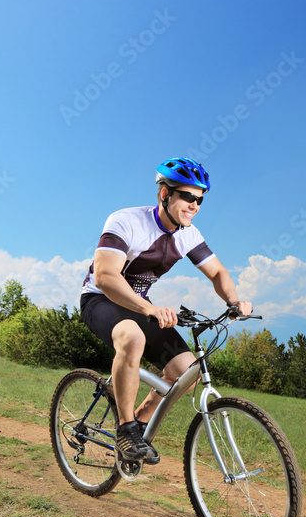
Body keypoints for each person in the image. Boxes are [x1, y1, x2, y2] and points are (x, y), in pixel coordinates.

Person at [80, 158, 252, 464]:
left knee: (187, 371)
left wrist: (233, 301)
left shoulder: (188, 234)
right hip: (101, 300)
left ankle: (139, 420)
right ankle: (125, 429)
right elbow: (106, 277)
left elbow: (218, 273)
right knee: (132, 338)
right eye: (188, 197)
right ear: (164, 193)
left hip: (141, 307)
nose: (194, 205)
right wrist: (149, 307)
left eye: (200, 199)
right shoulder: (127, 221)